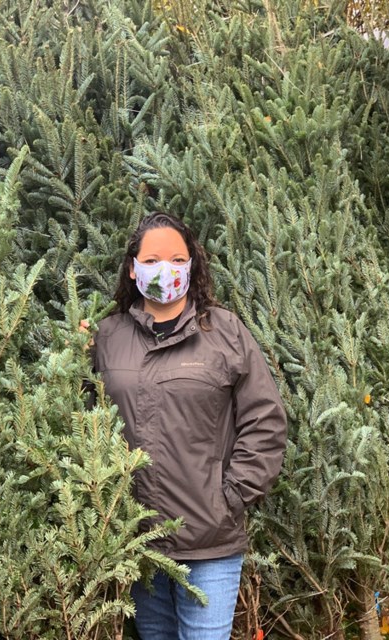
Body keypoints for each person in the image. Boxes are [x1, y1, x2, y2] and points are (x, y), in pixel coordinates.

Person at [90, 212, 288, 640]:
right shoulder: (107, 337)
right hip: (139, 543)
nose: (167, 269)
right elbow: (83, 415)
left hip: (210, 543)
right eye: (154, 258)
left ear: (192, 266)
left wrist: (231, 497)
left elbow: (265, 420)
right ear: (132, 267)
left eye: (178, 259)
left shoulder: (224, 333)